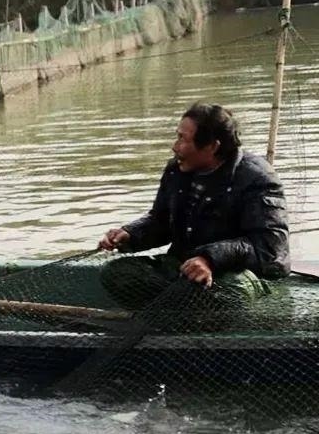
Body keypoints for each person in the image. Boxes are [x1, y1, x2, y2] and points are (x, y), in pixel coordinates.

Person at [97, 103, 290, 311]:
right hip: (183, 267)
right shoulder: (176, 169)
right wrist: (129, 234)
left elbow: (270, 249)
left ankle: (174, 315)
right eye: (177, 136)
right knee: (117, 273)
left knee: (234, 289)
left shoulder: (257, 178)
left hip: (233, 276)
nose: (175, 146)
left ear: (212, 147)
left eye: (183, 139)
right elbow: (161, 221)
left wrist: (210, 259)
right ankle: (181, 315)